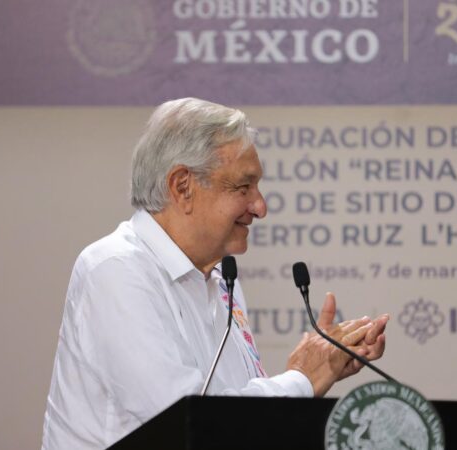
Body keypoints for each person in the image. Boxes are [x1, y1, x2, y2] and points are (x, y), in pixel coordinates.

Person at [42, 98, 388, 449]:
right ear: (182, 187)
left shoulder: (223, 279)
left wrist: (319, 367)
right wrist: (301, 378)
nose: (260, 206)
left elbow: (231, 415)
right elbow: (184, 419)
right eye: (242, 187)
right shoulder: (115, 269)